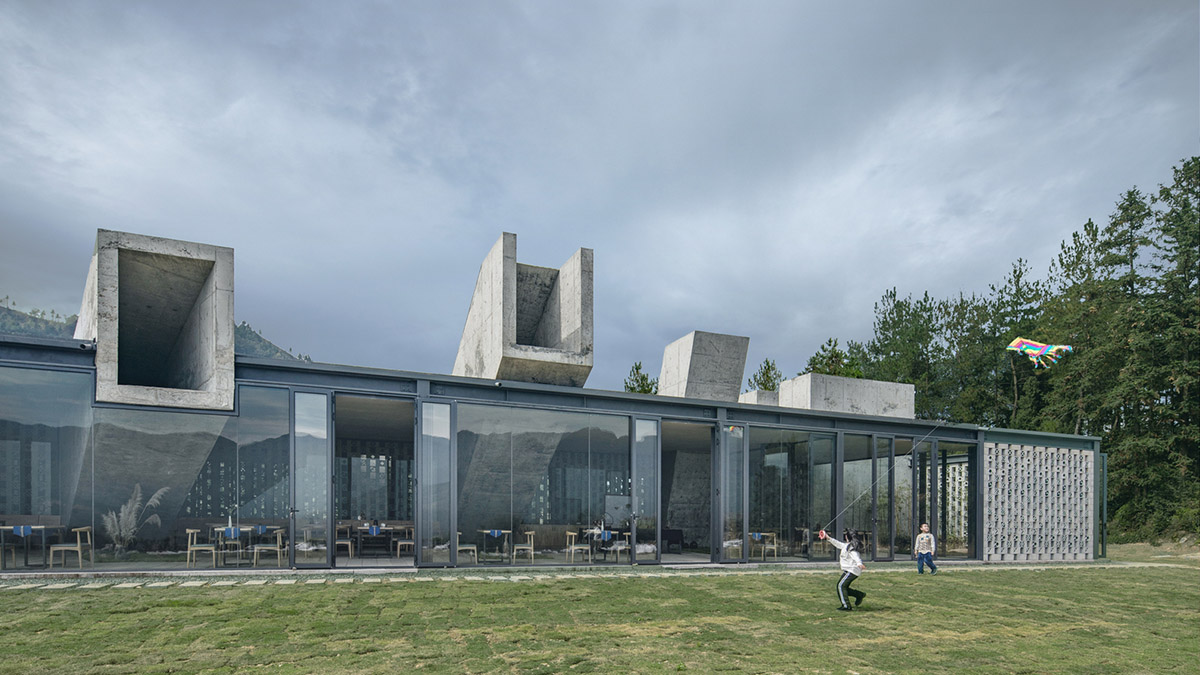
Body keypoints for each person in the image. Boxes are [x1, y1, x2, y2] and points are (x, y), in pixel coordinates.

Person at [819, 528, 865, 611]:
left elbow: (856, 556)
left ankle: (846, 606)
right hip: (850, 570)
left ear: (847, 537)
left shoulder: (851, 548)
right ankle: (859, 595)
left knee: (840, 586)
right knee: (844, 587)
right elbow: (838, 544)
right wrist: (828, 538)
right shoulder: (846, 545)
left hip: (852, 570)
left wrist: (859, 563)